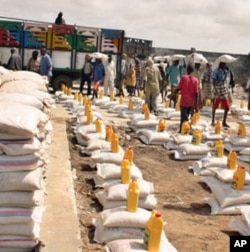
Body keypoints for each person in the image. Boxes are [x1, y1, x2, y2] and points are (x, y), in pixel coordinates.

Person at [172, 65, 199, 133]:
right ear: (193, 71)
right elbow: (196, 93)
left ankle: (184, 130)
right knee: (186, 116)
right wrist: (196, 105)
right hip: (191, 103)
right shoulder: (196, 80)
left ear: (187, 70)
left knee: (183, 118)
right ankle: (183, 130)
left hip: (184, 102)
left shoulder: (184, 78)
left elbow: (178, 88)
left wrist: (172, 94)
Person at [211, 61, 230, 128]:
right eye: (223, 64)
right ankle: (213, 120)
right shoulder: (216, 71)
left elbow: (225, 81)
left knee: (227, 107)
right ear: (220, 64)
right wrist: (215, 89)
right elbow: (213, 80)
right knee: (215, 105)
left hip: (223, 88)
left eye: (225, 64)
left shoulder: (225, 71)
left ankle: (224, 122)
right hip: (218, 88)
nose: (224, 65)